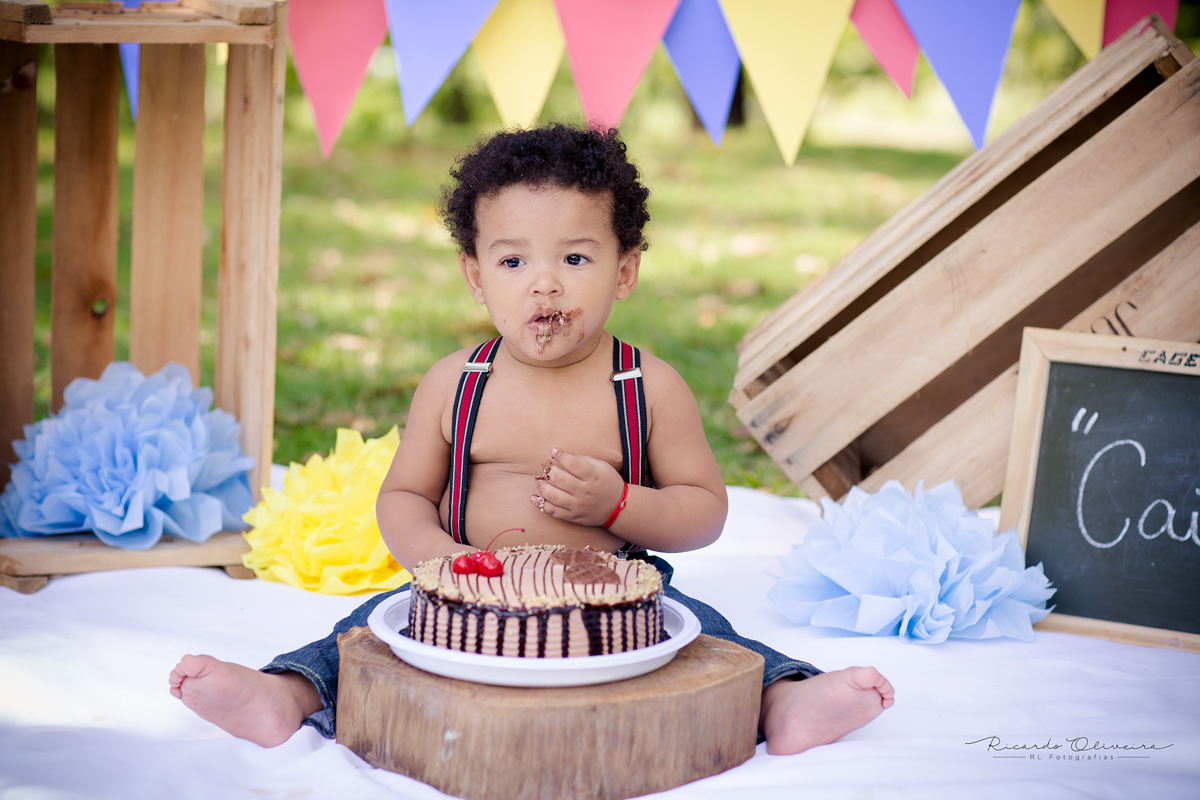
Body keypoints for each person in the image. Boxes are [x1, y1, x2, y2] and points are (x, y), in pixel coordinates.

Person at [169, 125, 893, 755]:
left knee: (706, 635)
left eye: (575, 260)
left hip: (612, 599)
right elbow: (405, 496)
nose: (544, 285)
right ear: (476, 276)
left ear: (626, 270)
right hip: (465, 591)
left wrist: (618, 503)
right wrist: (440, 562)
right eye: (514, 262)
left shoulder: (646, 388)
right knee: (359, 633)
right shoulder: (458, 383)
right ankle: (283, 695)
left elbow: (704, 510)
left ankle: (783, 701)